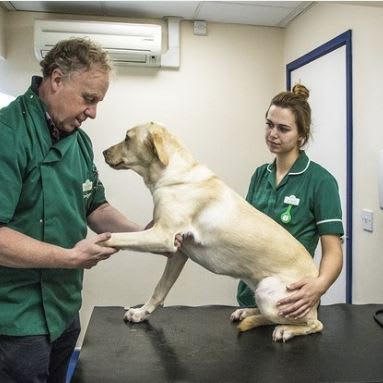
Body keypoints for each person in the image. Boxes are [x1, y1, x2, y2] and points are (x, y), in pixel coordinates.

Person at [0, 38, 180, 383]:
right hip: (15, 319)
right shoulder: (8, 134)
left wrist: (148, 236)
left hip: (65, 309)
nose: (94, 112)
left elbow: (95, 207)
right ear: (56, 80)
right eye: (89, 98)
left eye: (98, 102)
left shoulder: (80, 142)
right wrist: (68, 257)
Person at [237, 84, 344, 320]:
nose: (273, 134)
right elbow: (242, 230)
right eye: (269, 124)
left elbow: (333, 250)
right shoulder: (259, 175)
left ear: (301, 137)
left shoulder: (321, 181)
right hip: (251, 298)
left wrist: (320, 285)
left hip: (292, 302)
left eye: (283, 129)